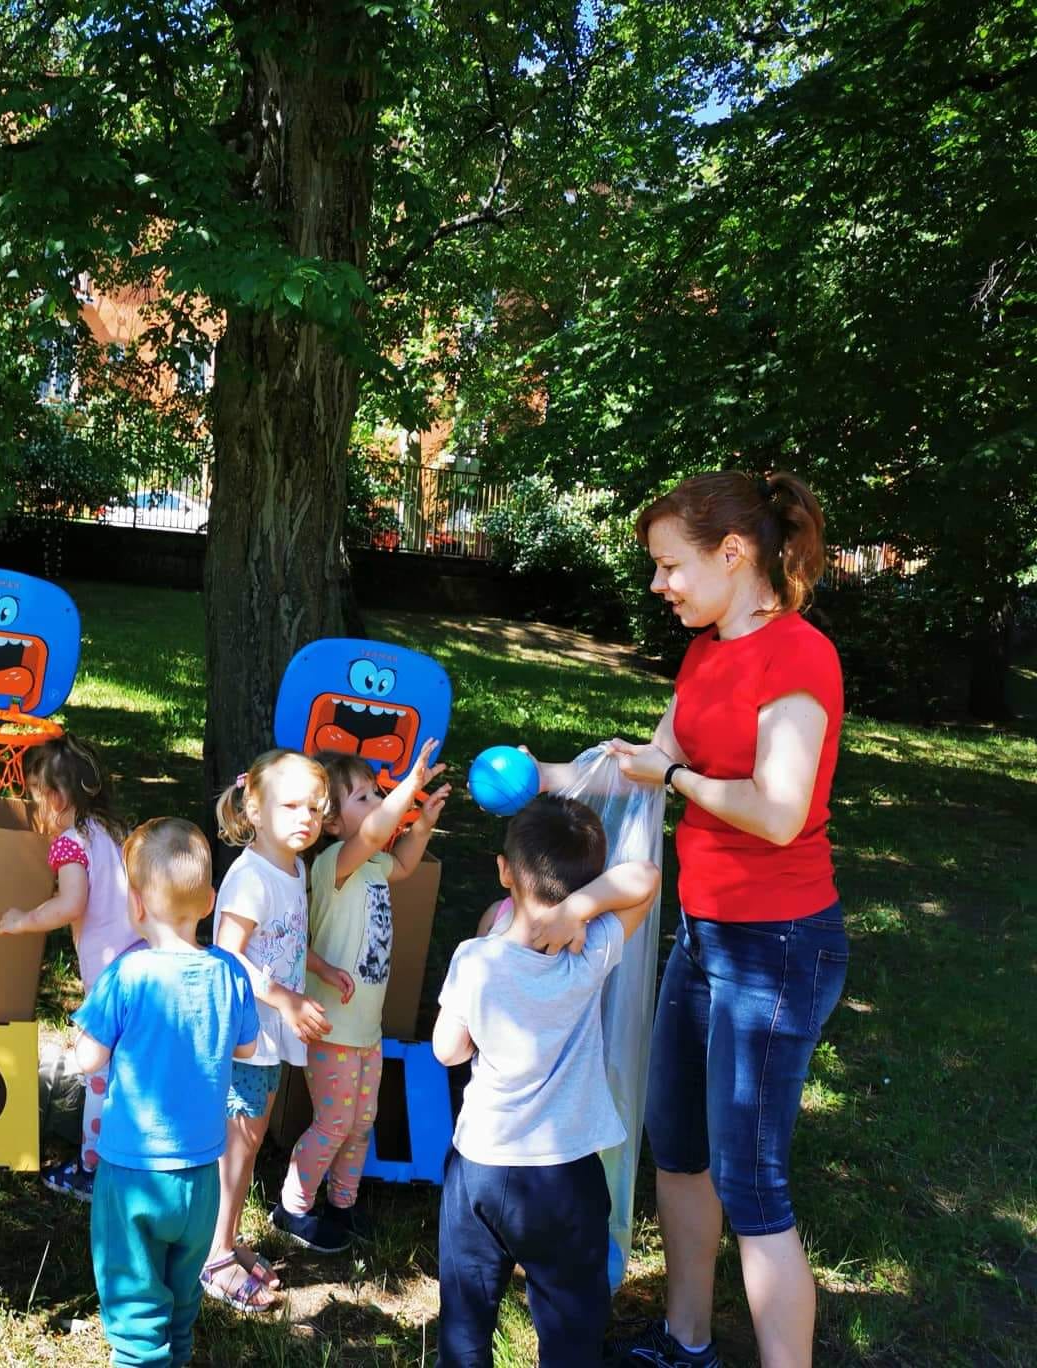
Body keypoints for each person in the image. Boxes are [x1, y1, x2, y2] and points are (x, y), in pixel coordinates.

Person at [537, 471, 846, 1368]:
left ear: (734, 554)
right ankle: (686, 1338)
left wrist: (671, 781)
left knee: (753, 1183)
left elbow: (778, 809)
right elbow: (647, 757)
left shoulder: (798, 656)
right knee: (678, 1147)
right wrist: (548, 773)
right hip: (706, 938)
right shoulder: (707, 651)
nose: (659, 584)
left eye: (671, 566)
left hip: (780, 946)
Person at [432, 795, 659, 1365]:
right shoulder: (589, 949)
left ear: (504, 871)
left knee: (466, 1314)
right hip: (564, 1175)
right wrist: (582, 908)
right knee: (571, 1318)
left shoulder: (474, 960)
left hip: (480, 1168)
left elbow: (447, 1050)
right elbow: (647, 877)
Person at [71, 818, 261, 1368]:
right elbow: (245, 1049)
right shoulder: (228, 972)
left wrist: (84, 1032)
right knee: (181, 1303)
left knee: (135, 1310)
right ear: (209, 901)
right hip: (201, 1174)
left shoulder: (127, 974)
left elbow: (89, 1059)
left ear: (135, 903)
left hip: (134, 1173)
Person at [272, 743, 449, 1251]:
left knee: (360, 1122)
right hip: (330, 1027)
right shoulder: (335, 864)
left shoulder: (372, 867)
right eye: (363, 797)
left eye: (377, 794)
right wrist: (408, 788)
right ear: (331, 823)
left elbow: (406, 864)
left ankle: (343, 1205)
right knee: (333, 1122)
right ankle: (293, 1206)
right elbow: (373, 834)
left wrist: (423, 824)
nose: (376, 804)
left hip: (365, 1029)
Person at [200, 749, 333, 1311]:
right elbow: (226, 956)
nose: (307, 818)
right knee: (239, 1143)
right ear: (253, 807)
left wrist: (321, 969)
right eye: (292, 805)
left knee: (248, 1141)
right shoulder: (251, 877)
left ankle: (224, 1239)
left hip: (270, 1035)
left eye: (317, 808)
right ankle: (213, 1258)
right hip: (245, 1035)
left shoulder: (293, 866)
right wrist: (288, 998)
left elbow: (285, 938)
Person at [0, 735, 137, 1200]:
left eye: (34, 795)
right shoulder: (119, 835)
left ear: (55, 798)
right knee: (131, 1068)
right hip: (145, 963)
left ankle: (93, 1168)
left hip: (109, 978)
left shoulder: (70, 844)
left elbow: (70, 901)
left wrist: (24, 920)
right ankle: (136, 1154)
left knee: (97, 1072)